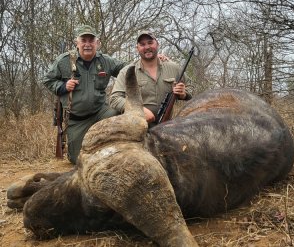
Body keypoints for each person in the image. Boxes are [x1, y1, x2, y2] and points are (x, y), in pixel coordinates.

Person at [43, 24, 127, 164]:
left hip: (101, 113)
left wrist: (150, 60)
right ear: (77, 43)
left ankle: (120, 151)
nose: (87, 44)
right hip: (77, 119)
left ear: (97, 43)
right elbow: (47, 80)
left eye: (91, 40)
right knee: (78, 160)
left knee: (121, 112)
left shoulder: (105, 61)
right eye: (84, 40)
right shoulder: (64, 61)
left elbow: (129, 68)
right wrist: (63, 86)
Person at [109, 31, 193, 127]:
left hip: (167, 126)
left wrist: (184, 94)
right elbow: (115, 99)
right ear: (137, 48)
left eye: (150, 43)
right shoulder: (127, 71)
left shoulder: (174, 68)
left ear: (157, 44)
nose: (147, 47)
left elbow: (191, 87)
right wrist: (139, 110)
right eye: (142, 44)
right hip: (137, 126)